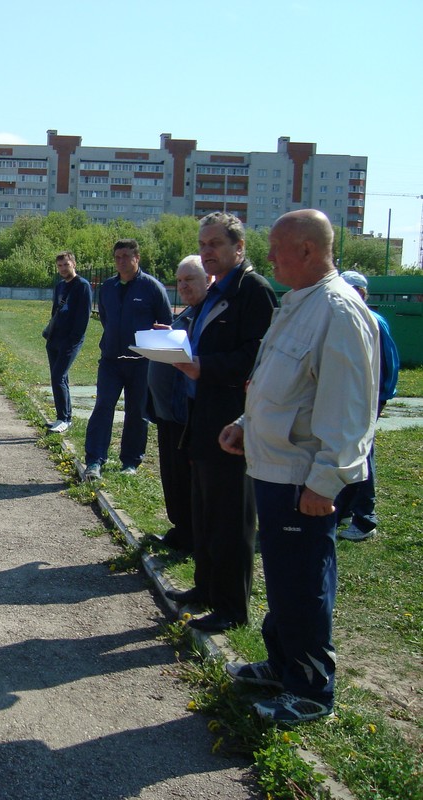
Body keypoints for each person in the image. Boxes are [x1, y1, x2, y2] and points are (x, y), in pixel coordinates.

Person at [221, 209, 379, 724]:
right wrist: (245, 422)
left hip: (303, 480)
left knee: (303, 581)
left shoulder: (337, 311)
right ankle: (282, 663)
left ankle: (311, 689)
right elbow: (275, 380)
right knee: (285, 578)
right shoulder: (299, 304)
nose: (269, 257)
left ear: (308, 250)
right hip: (273, 468)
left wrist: (325, 481)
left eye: (277, 248)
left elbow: (349, 409)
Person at [168, 213, 278, 634]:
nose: (207, 251)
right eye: (203, 244)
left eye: (215, 244)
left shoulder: (254, 291)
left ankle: (232, 607)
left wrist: (204, 367)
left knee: (231, 517)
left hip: (232, 420)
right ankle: (205, 588)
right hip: (201, 417)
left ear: (239, 247)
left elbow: (259, 357)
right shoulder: (215, 293)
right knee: (204, 509)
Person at [84, 239, 171, 479]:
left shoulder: (152, 288)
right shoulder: (108, 287)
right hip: (111, 360)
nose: (121, 261)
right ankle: (94, 461)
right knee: (103, 407)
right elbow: (105, 319)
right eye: (117, 257)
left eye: (126, 256)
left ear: (137, 258)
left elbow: (166, 324)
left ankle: (130, 462)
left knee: (136, 411)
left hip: (141, 362)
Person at [146, 256, 210, 553]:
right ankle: (181, 530)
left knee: (187, 479)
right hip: (168, 412)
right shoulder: (187, 313)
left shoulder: (208, 314)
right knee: (172, 476)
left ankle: (192, 536)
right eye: (180, 280)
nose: (183, 286)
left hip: (188, 414)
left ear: (208, 280)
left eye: (190, 279)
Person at [335, 270, 400, 541]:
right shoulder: (344, 319)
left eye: (351, 289)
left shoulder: (374, 321)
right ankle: (345, 510)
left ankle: (365, 518)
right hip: (348, 400)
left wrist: (381, 399)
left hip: (368, 401)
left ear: (362, 292)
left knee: (363, 454)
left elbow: (389, 364)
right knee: (348, 453)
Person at [44, 250, 92, 433]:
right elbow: (54, 311)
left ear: (74, 264)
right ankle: (62, 416)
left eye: (66, 264)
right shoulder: (59, 286)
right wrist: (51, 336)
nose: (63, 268)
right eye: (60, 265)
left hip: (70, 340)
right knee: (58, 377)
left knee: (58, 377)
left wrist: (73, 339)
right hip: (55, 339)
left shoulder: (82, 286)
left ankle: (65, 418)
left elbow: (83, 316)